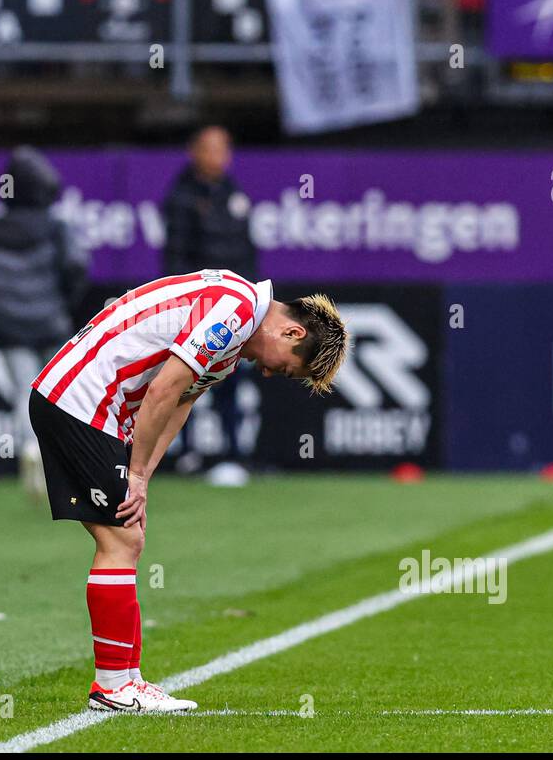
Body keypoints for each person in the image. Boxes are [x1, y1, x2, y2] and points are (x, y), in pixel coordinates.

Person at [28, 269, 348, 712]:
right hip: (81, 400)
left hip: (89, 403)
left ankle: (125, 680)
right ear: (292, 330)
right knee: (122, 539)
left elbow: (181, 403)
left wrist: (144, 477)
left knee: (128, 536)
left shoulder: (236, 333)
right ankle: (112, 687)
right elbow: (163, 388)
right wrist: (135, 475)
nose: (272, 374)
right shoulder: (235, 311)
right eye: (287, 365)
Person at [0, 146, 87, 494]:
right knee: (62, 394)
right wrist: (63, 305)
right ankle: (64, 462)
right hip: (51, 322)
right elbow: (77, 268)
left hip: (8, 327)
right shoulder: (56, 228)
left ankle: (31, 449)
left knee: (24, 394)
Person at [161, 126, 258, 486]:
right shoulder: (182, 197)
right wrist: (184, 304)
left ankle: (234, 453)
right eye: (211, 148)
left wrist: (251, 298)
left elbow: (248, 251)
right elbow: (175, 256)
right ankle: (186, 452)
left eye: (224, 148)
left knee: (230, 380)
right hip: (197, 306)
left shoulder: (236, 195)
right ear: (195, 152)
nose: (219, 156)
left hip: (234, 307)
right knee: (185, 380)